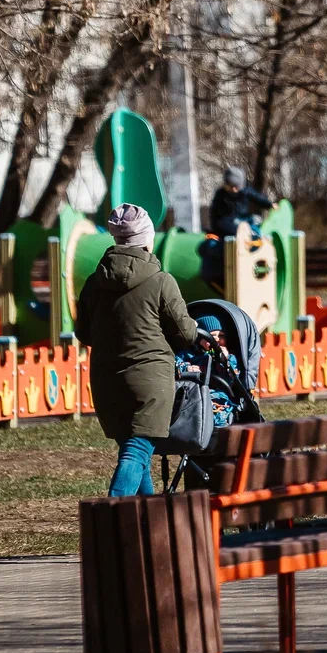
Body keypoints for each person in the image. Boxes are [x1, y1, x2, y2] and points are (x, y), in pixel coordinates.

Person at [76, 203, 196, 497]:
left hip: (106, 380)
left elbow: (83, 333)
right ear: (147, 239)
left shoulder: (94, 283)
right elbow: (185, 334)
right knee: (137, 451)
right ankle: (112, 515)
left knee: (134, 453)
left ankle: (147, 518)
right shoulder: (161, 281)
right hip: (149, 382)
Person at [174, 314, 241, 429]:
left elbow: (233, 378)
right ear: (200, 337)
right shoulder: (187, 354)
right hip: (191, 394)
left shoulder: (227, 357)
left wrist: (226, 360)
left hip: (217, 394)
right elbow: (175, 364)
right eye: (212, 336)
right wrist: (186, 368)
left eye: (221, 336)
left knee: (220, 410)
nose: (217, 339)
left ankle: (218, 427)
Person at [209, 166, 273, 238]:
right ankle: (243, 233)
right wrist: (215, 227)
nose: (234, 189)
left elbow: (258, 198)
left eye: (236, 187)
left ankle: (255, 233)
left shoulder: (245, 191)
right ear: (226, 185)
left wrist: (270, 204)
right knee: (224, 224)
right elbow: (214, 213)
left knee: (256, 219)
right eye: (231, 186)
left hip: (242, 218)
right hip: (227, 219)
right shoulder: (220, 194)